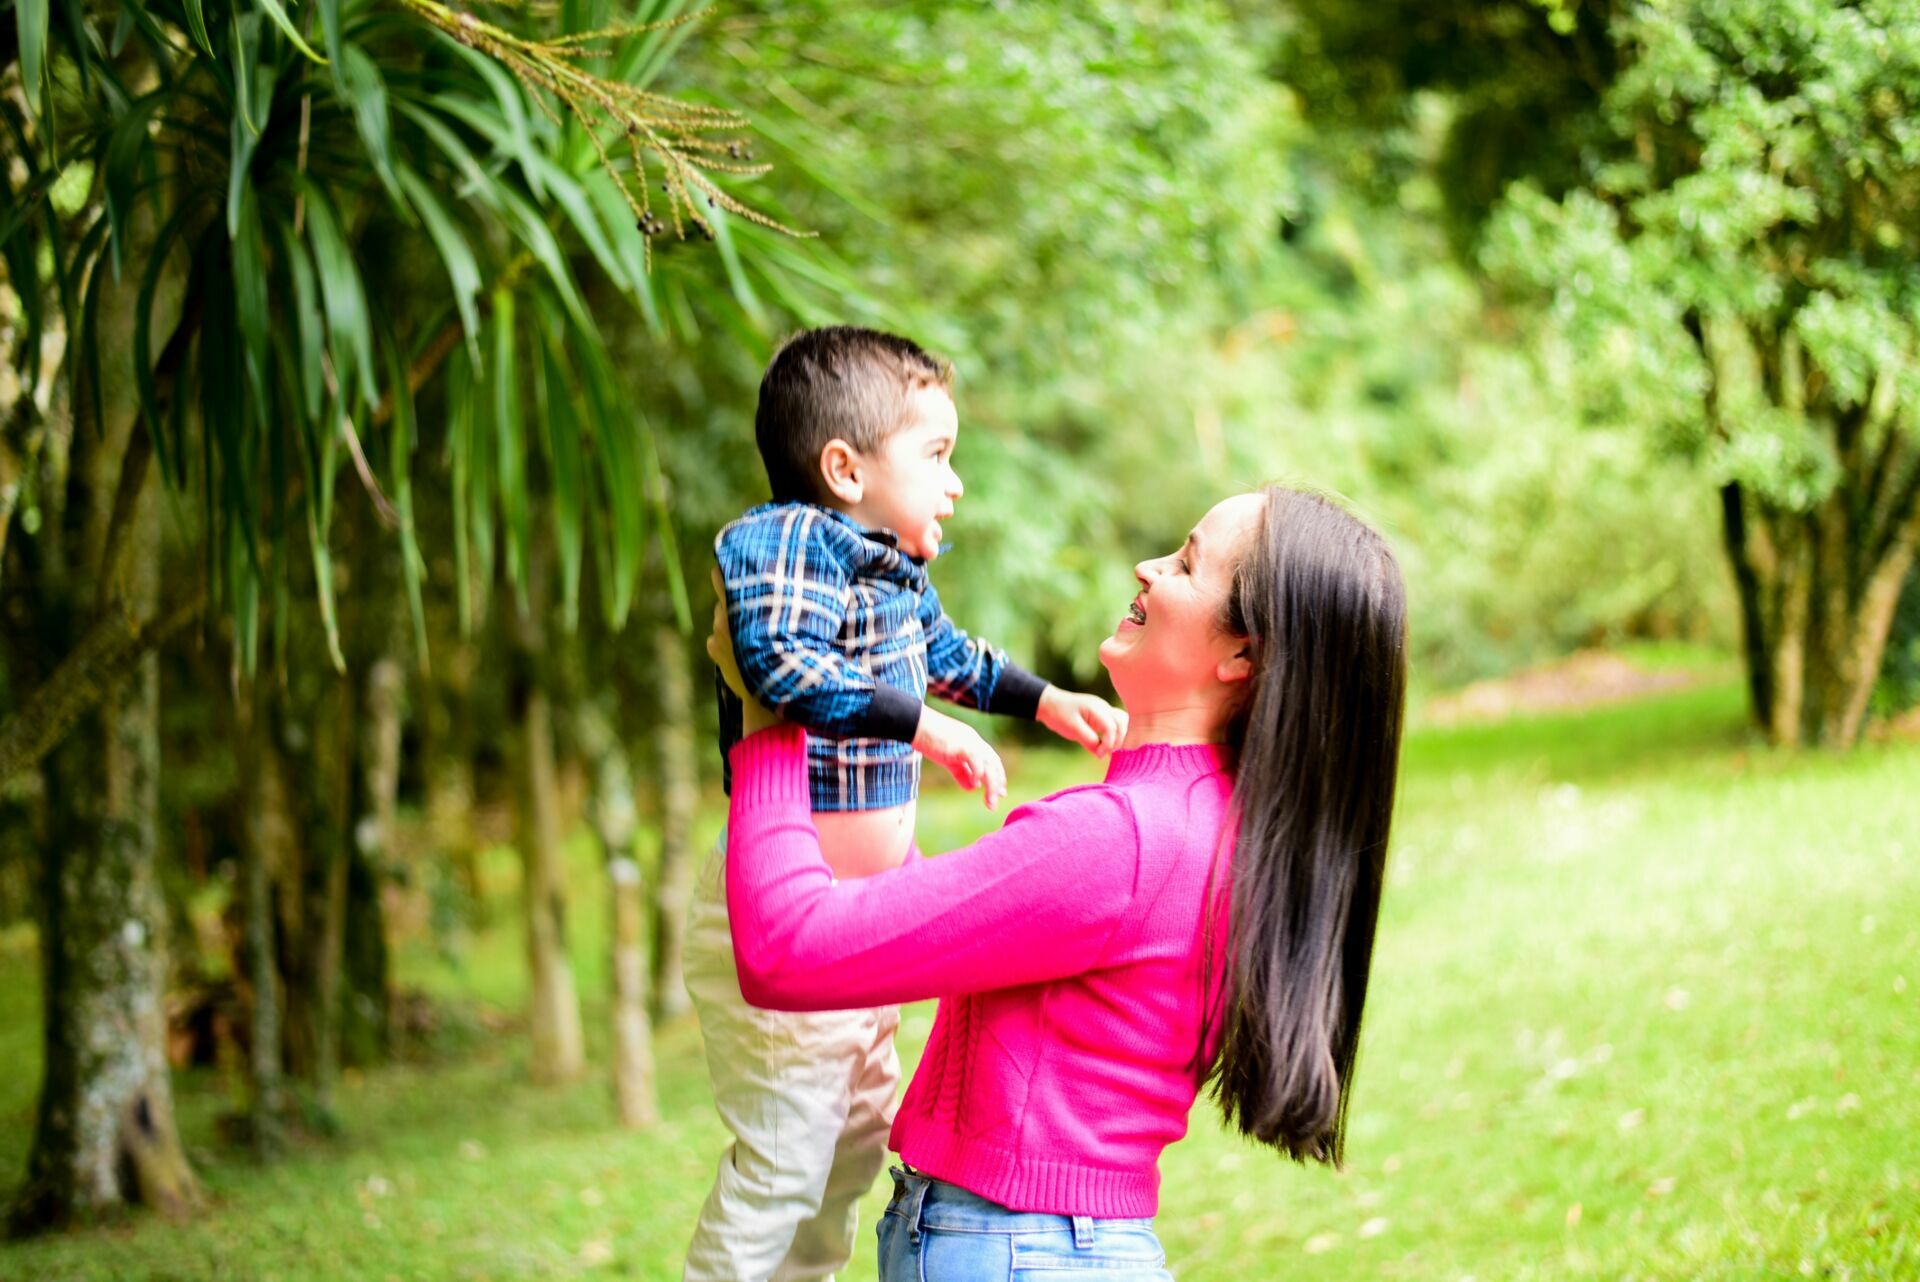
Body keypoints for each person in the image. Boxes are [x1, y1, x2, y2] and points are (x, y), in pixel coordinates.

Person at [708, 485, 1409, 1281]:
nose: (1147, 569)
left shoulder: (1122, 840)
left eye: (1184, 564)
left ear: (1242, 655)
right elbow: (917, 927)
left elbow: (788, 953)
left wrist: (768, 718)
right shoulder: (1209, 826)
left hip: (1012, 1251)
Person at [685, 326, 1127, 1282]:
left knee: (849, 1150)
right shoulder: (785, 541)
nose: (955, 481)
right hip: (775, 928)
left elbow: (953, 658)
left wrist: (1045, 699)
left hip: (853, 940)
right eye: (936, 455)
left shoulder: (890, 572)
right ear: (843, 468)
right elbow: (781, 664)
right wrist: (923, 728)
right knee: (784, 1161)